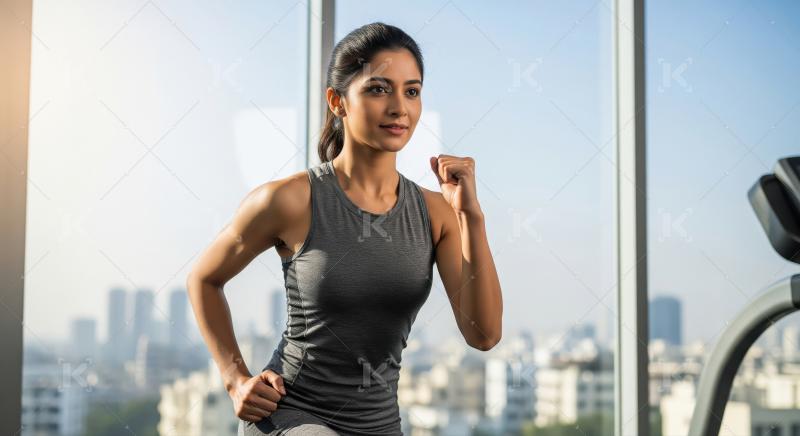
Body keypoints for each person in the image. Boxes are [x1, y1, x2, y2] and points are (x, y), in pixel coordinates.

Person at [186, 21, 503, 435]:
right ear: (338, 102)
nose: (399, 107)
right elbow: (204, 279)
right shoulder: (288, 200)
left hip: (380, 424)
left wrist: (471, 218)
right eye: (378, 89)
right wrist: (234, 379)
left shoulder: (437, 213)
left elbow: (483, 335)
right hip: (293, 413)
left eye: (411, 90)